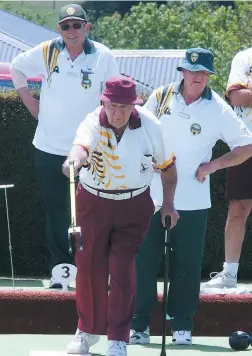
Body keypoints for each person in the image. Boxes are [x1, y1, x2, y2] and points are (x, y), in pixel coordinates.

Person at [129, 48, 252, 346]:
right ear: (182, 72)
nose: (197, 78)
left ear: (209, 76)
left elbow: (246, 146)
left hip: (193, 199)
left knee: (187, 264)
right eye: (192, 71)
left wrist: (214, 165)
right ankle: (138, 324)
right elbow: (137, 129)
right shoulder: (159, 97)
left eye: (203, 74)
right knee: (142, 261)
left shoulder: (218, 107)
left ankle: (182, 324)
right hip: (151, 195)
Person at [62, 76, 179, 356]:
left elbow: (168, 168)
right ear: (104, 102)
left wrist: (169, 205)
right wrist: (74, 160)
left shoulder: (151, 124)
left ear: (134, 106)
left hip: (134, 204)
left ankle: (118, 338)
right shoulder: (92, 120)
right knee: (89, 267)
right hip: (93, 202)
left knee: (124, 270)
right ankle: (86, 332)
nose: (117, 113)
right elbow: (80, 147)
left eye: (124, 107)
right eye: (112, 106)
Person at [10, 3, 119, 288]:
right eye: (66, 26)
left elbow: (111, 95)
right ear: (59, 29)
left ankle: (95, 269)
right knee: (57, 209)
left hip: (90, 147)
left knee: (94, 208)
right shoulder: (48, 51)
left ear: (87, 27)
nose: (72, 31)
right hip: (48, 146)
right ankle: (61, 270)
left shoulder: (103, 55)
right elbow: (17, 68)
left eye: (77, 25)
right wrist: (28, 99)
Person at [202, 47, 252, 289]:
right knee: (238, 208)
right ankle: (229, 275)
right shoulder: (244, 57)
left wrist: (248, 90)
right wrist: (243, 93)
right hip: (245, 141)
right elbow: (237, 98)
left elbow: (245, 94)